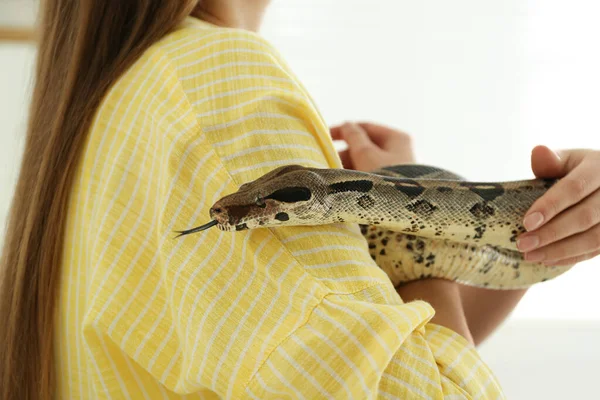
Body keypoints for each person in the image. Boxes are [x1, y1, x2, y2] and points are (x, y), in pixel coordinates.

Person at [1, 0, 598, 399]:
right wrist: (419, 223)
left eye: (253, 205)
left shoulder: (117, 97)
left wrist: (546, 222)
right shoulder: (219, 84)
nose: (236, 211)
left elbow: (389, 354)